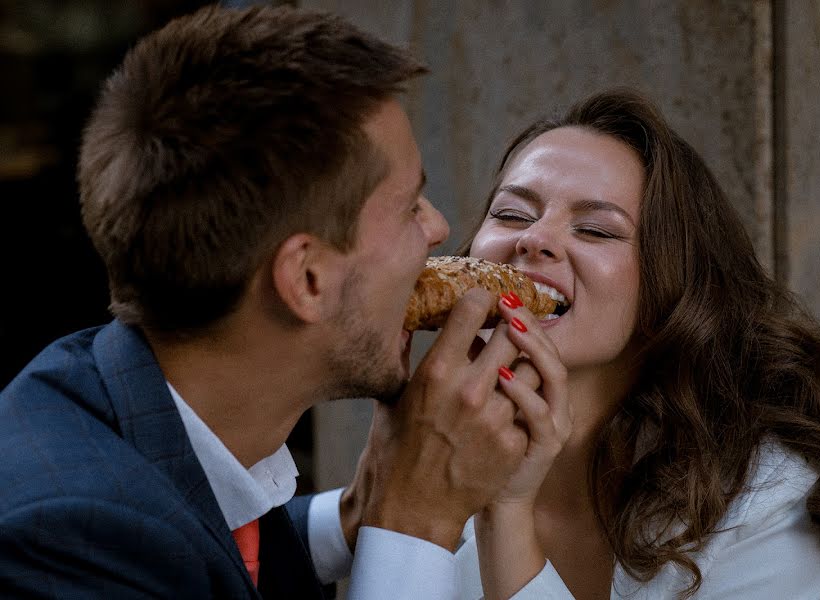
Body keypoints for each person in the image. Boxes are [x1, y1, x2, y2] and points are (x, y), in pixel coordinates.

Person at [0, 6, 565, 599]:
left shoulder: (119, 402)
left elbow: (204, 541)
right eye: (409, 207)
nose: (439, 227)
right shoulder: (63, 548)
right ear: (308, 279)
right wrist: (414, 519)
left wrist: (361, 510)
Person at [322, 89, 820, 599]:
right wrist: (382, 493)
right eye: (511, 213)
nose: (535, 239)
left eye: (595, 230)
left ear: (672, 287)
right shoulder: (440, 448)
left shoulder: (769, 502)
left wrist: (507, 514)